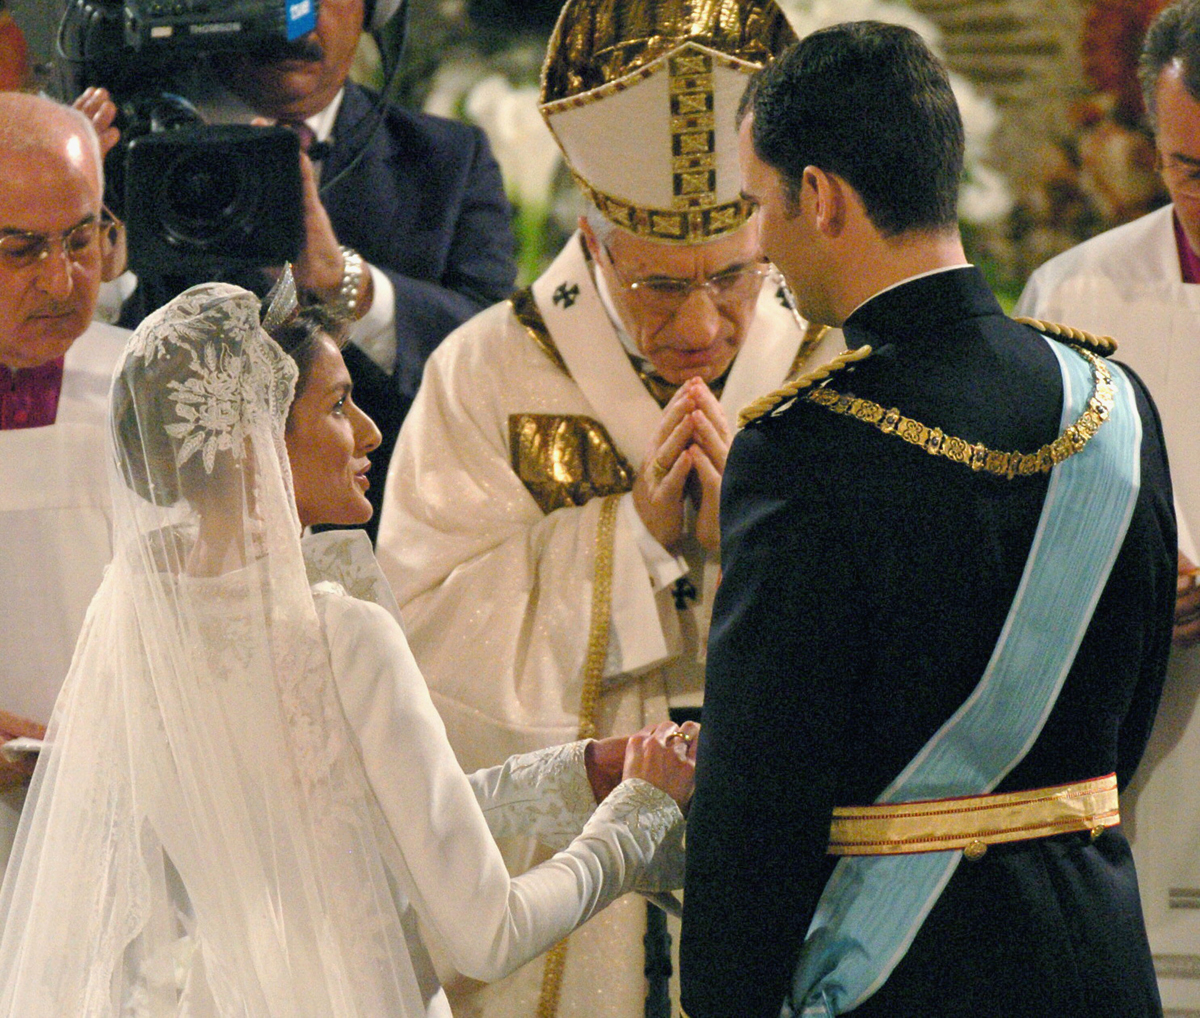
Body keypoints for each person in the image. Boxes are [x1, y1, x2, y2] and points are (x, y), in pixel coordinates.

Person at [0, 280, 697, 1016]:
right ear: (254, 446)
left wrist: (577, 773)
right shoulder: (337, 634)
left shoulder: (140, 624)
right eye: (337, 405)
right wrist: (637, 819)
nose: (369, 431)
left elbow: (344, 815)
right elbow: (488, 933)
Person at [681, 22, 1176, 1018]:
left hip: (901, 981)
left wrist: (724, 996)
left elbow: (760, 809)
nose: (760, 241)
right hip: (1098, 962)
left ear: (819, 197)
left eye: (759, 203)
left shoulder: (801, 449)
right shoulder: (1114, 402)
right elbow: (1126, 718)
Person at [373, 1, 840, 1013]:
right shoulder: (486, 373)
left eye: (731, 278)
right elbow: (415, 640)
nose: (700, 327)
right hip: (582, 867)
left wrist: (754, 547)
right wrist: (626, 542)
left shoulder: (833, 365)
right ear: (594, 240)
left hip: (786, 810)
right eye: (657, 287)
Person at [75, 0, 516, 539]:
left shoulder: (447, 159)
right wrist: (85, 259)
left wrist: (346, 286)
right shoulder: (122, 147)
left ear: (374, 12)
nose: (295, 20)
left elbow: (502, 357)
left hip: (392, 544)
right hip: (170, 551)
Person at [1015, 4, 1200, 1006]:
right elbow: (1015, 520)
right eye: (1191, 171)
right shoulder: (1074, 296)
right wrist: (1121, 576)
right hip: (1129, 749)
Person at [0, 91, 129, 878]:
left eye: (81, 239)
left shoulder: (150, 389)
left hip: (112, 832)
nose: (60, 281)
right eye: (19, 250)